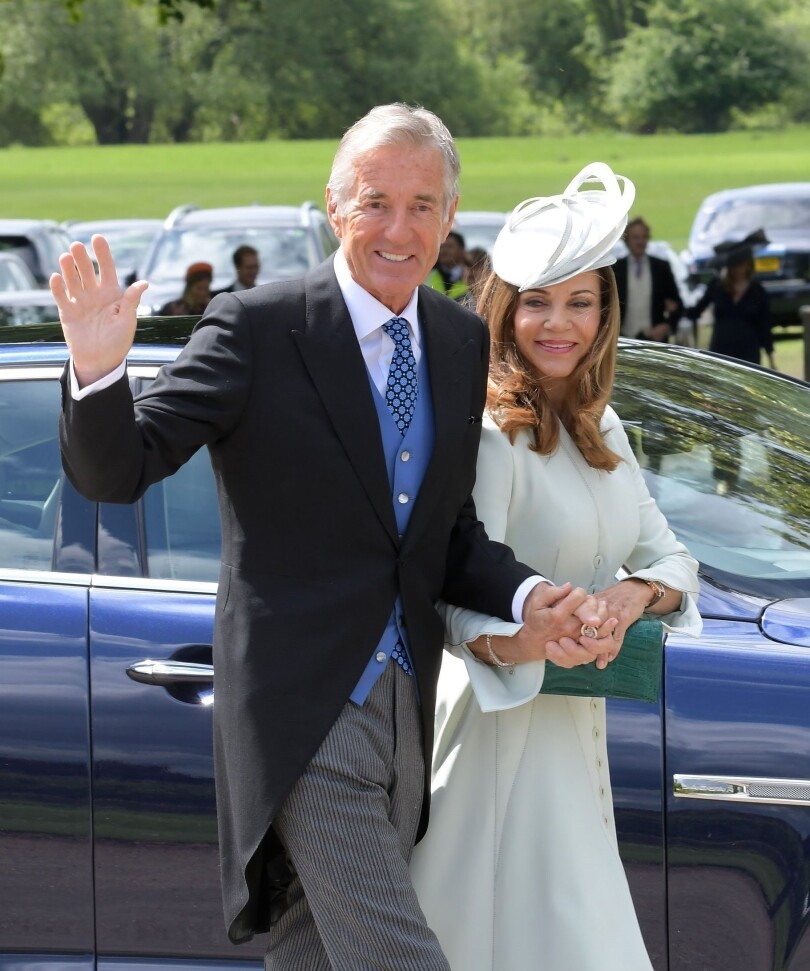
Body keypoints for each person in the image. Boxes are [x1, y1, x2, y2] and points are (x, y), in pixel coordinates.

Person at [50, 104, 608, 971]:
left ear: (451, 216)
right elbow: (119, 470)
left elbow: (445, 536)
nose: (399, 227)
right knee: (399, 957)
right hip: (302, 710)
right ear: (334, 206)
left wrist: (530, 594)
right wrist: (99, 373)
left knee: (316, 951)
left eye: (423, 204)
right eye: (376, 201)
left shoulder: (459, 340)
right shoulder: (256, 328)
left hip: (409, 708)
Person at [409, 162, 702, 970]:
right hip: (494, 748)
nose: (558, 323)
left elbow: (675, 559)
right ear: (503, 308)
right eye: (536, 301)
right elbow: (450, 598)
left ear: (606, 312)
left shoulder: (601, 425)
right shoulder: (491, 435)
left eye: (580, 302)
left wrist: (631, 596)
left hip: (578, 742)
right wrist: (528, 639)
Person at [686, 232, 775, 367]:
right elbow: (696, 311)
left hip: (748, 352)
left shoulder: (757, 291)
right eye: (736, 265)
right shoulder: (718, 287)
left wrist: (771, 359)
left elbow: (764, 326)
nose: (739, 270)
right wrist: (677, 309)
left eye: (742, 265)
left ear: (748, 265)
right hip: (721, 351)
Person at [614, 216, 683, 341]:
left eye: (643, 237)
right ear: (627, 240)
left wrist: (666, 325)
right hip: (623, 339)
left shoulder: (661, 267)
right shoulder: (616, 269)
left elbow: (678, 305)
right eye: (635, 237)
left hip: (654, 340)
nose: (640, 242)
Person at [427, 229, 469, 301]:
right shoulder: (427, 275)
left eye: (449, 246)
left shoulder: (473, 274)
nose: (444, 251)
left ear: (461, 251)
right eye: (442, 246)